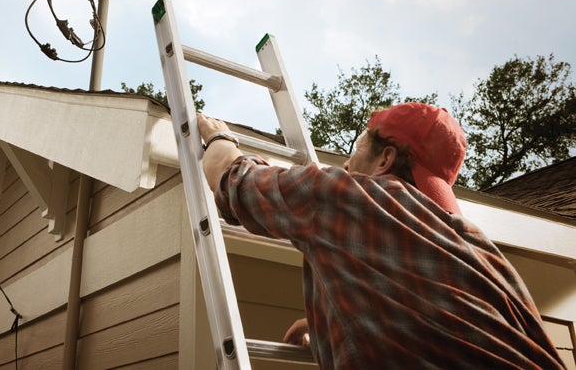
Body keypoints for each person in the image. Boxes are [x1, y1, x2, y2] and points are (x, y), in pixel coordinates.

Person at [197, 103, 565, 369]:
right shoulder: (482, 251)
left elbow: (230, 177)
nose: (345, 162)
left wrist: (218, 136)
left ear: (385, 159)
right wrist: (330, 319)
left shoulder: (350, 196)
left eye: (357, 147)